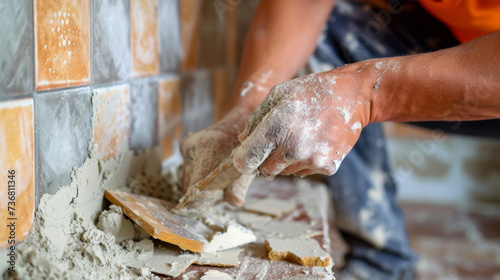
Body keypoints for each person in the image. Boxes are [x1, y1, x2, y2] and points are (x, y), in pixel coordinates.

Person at [181, 0, 500, 279]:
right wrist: (246, 112)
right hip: (464, 40)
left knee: (347, 88)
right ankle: (384, 260)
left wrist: (364, 94)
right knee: (330, 28)